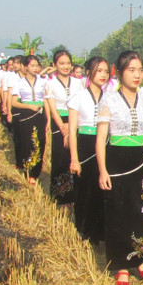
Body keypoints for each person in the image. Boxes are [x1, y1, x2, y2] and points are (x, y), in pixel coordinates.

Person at [96, 51, 143, 285]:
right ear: (119, 72)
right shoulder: (109, 100)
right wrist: (103, 170)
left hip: (142, 162)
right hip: (117, 163)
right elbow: (101, 138)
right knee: (118, 213)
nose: (137, 75)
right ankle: (121, 265)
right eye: (131, 70)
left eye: (140, 70)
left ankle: (141, 259)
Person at [68, 57, 110, 244]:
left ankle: (102, 230)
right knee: (85, 189)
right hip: (85, 145)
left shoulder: (110, 97)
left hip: (106, 145)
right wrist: (74, 159)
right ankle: (84, 230)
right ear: (88, 72)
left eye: (106, 71)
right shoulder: (78, 97)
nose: (103, 75)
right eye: (99, 70)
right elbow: (72, 131)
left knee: (103, 190)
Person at [45, 49, 83, 207]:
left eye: (68, 63)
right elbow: (53, 109)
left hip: (76, 120)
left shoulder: (79, 82)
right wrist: (62, 126)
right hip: (59, 122)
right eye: (61, 63)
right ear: (54, 65)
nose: (65, 66)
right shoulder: (50, 84)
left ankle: (75, 195)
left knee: (75, 156)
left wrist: (71, 125)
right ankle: (61, 197)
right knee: (60, 158)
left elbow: (81, 103)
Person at [10, 55, 50, 185]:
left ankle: (35, 172)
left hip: (40, 113)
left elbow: (46, 100)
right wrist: (28, 106)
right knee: (27, 143)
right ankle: (28, 170)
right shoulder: (19, 83)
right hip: (26, 114)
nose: (35, 68)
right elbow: (14, 103)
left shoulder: (43, 82)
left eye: (37, 66)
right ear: (25, 67)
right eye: (32, 66)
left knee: (40, 142)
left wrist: (48, 118)